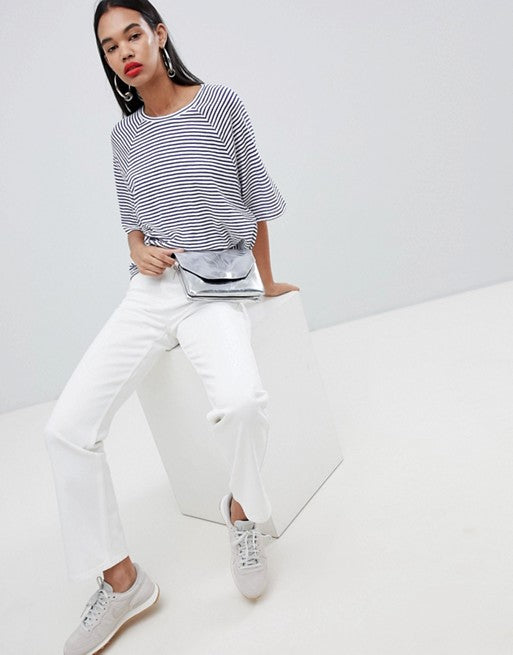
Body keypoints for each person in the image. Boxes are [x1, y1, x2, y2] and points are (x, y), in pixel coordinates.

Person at [43, 1, 299, 653]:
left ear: (159, 35)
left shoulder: (219, 104)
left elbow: (256, 201)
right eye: (110, 46)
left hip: (217, 288)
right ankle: (122, 580)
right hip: (152, 292)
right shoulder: (124, 136)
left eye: (133, 35)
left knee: (243, 403)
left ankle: (240, 510)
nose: (124, 52)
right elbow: (133, 223)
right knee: (67, 428)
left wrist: (266, 282)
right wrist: (139, 250)